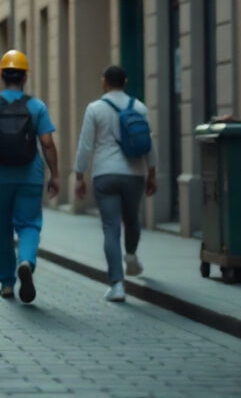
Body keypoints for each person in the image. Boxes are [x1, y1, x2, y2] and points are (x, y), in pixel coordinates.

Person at [0, 50, 60, 304]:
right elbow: (48, 143)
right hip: (30, 175)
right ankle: (26, 261)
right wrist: (56, 175)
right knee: (28, 224)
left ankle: (6, 283)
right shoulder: (36, 106)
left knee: (2, 227)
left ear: (1, 75)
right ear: (25, 76)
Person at [73, 65, 159, 303]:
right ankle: (131, 255)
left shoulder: (95, 109)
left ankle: (117, 285)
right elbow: (150, 143)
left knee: (111, 228)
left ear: (104, 82)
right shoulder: (139, 107)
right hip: (134, 174)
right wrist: (152, 174)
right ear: (126, 82)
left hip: (105, 174)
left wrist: (79, 176)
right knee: (132, 219)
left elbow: (86, 145)